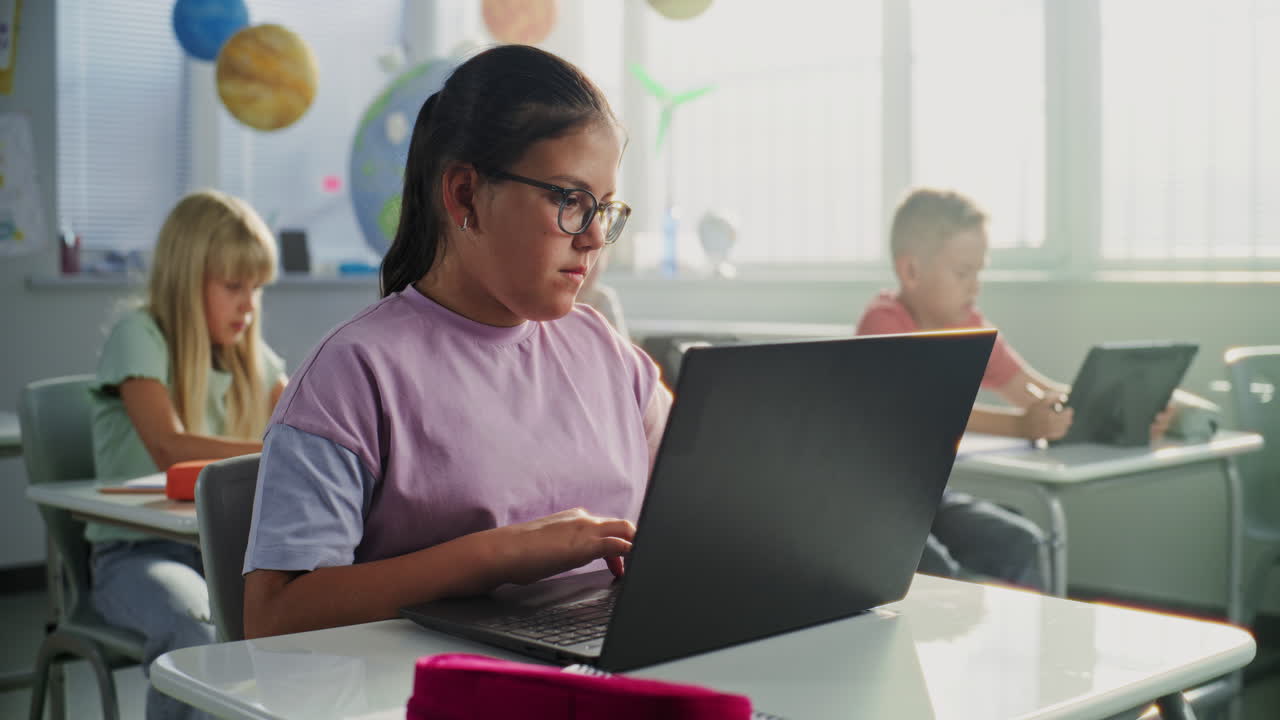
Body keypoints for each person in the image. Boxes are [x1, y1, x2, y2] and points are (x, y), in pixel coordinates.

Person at [241, 45, 671, 639]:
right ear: (465, 194)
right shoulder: (353, 372)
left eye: (605, 208)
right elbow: (273, 617)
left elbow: (700, 507)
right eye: (570, 200)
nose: (596, 236)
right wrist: (492, 556)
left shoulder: (610, 356)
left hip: (606, 666)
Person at [89, 189, 287, 720]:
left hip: (223, 557)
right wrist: (282, 449)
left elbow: (305, 420)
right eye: (233, 287)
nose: (249, 304)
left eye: (257, 289)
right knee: (193, 627)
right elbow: (167, 446)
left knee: (310, 617)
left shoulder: (252, 357)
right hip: (137, 555)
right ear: (186, 278)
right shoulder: (140, 335)